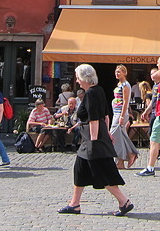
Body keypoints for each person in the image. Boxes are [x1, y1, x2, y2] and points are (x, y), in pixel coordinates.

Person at [57, 64, 133, 217]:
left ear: (85, 78)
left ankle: (124, 202)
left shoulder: (91, 93)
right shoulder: (98, 90)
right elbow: (105, 115)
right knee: (80, 169)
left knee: (102, 172)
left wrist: (94, 140)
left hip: (93, 140)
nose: (77, 80)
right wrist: (106, 134)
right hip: (92, 139)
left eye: (78, 77)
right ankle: (75, 204)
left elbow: (94, 119)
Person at [110, 65, 138, 169]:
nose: (117, 73)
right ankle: (129, 155)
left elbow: (126, 101)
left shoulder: (126, 85)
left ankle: (120, 160)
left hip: (120, 114)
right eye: (116, 72)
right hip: (116, 112)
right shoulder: (119, 85)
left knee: (114, 136)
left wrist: (122, 116)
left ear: (124, 73)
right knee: (121, 136)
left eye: (119, 72)